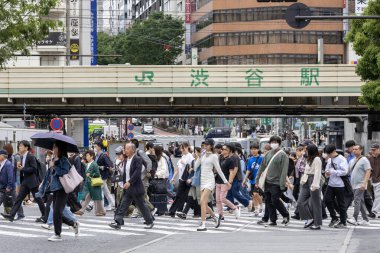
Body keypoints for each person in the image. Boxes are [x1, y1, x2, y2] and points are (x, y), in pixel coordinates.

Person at [109, 143, 154, 230]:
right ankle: (118, 222)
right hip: (127, 187)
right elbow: (125, 173)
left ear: (132, 150)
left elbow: (137, 173)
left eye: (127, 149)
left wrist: (129, 182)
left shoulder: (138, 159)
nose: (125, 151)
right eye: (125, 149)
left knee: (141, 205)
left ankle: (150, 221)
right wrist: (123, 182)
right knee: (122, 204)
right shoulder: (126, 160)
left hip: (135, 187)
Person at [1, 140, 45, 222]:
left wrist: (22, 169)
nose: (19, 147)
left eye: (21, 146)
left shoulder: (31, 156)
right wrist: (20, 168)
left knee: (38, 199)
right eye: (19, 146)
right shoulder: (22, 157)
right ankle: (11, 215)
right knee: (19, 198)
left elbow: (34, 169)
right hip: (25, 181)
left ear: (26, 147)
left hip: (32, 182)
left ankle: (45, 215)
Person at [194, 139, 231, 231]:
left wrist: (226, 182)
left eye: (206, 145)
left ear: (211, 146)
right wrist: (198, 157)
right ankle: (215, 217)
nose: (204, 146)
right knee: (203, 203)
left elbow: (219, 170)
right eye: (204, 145)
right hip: (202, 180)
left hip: (210, 181)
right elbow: (195, 167)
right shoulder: (202, 155)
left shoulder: (214, 156)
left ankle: (203, 224)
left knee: (202, 201)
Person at [255, 136, 290, 226]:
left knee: (275, 200)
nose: (273, 143)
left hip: (277, 182)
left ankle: (285, 214)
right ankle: (273, 220)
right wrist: (257, 179)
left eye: (275, 142)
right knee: (268, 201)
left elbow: (284, 171)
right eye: (272, 142)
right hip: (267, 181)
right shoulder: (268, 154)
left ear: (279, 143)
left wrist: (282, 184)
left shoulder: (283, 155)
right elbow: (262, 167)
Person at [48, 141, 78, 242]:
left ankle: (57, 234)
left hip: (63, 189)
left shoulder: (64, 160)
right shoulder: (54, 158)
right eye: (53, 147)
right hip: (55, 188)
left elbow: (64, 172)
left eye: (55, 148)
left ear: (60, 149)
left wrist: (54, 166)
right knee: (58, 213)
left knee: (57, 212)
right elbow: (52, 175)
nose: (54, 150)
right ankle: (73, 223)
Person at [297, 144, 323, 230]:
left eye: (306, 150)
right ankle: (310, 218)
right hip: (306, 179)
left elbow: (318, 172)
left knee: (316, 202)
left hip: (313, 179)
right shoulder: (308, 159)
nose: (305, 151)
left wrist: (315, 184)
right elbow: (306, 170)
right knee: (300, 201)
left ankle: (317, 223)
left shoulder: (317, 159)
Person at [324, 144, 349, 228]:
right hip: (331, 184)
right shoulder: (330, 160)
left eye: (329, 153)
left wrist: (333, 172)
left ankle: (343, 222)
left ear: (334, 151)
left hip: (340, 185)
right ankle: (334, 217)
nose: (328, 155)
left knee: (341, 203)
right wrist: (327, 173)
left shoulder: (342, 159)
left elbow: (344, 171)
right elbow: (327, 170)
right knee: (327, 200)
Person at [75, 150, 105, 216]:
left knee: (97, 199)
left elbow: (98, 173)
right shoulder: (88, 164)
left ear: (92, 156)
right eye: (86, 155)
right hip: (88, 184)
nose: (86, 157)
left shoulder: (94, 164)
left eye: (88, 155)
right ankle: (81, 210)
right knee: (85, 197)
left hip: (94, 184)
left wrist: (91, 174)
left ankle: (101, 211)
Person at [347, 145, 371, 226]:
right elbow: (347, 171)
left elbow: (368, 171)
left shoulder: (364, 160)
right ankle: (365, 219)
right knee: (361, 202)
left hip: (360, 184)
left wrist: (364, 183)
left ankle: (354, 218)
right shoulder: (352, 160)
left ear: (361, 150)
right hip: (353, 184)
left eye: (356, 149)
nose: (354, 151)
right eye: (353, 149)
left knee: (357, 200)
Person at [216, 143, 240, 220]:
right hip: (218, 181)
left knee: (222, 198)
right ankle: (221, 215)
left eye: (224, 149)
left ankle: (234, 208)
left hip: (225, 182)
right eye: (222, 149)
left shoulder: (231, 160)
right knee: (218, 200)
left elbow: (231, 172)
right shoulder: (220, 157)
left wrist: (229, 182)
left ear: (229, 151)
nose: (222, 150)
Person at [169, 143, 194, 217]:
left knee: (182, 196)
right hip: (181, 179)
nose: (181, 150)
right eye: (181, 148)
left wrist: (186, 163)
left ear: (187, 147)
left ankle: (175, 211)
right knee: (179, 195)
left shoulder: (190, 157)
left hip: (187, 179)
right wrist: (173, 178)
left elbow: (192, 168)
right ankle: (175, 211)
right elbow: (177, 169)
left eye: (183, 148)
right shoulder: (182, 156)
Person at [2, 144, 24, 218]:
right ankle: (9, 213)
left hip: (11, 180)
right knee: (8, 198)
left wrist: (14, 182)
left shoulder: (13, 158)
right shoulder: (8, 159)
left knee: (14, 198)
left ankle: (20, 214)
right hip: (8, 181)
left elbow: (15, 171)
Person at [93, 141, 115, 211]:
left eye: (95, 146)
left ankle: (92, 205)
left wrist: (101, 167)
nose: (95, 148)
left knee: (96, 190)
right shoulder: (97, 155)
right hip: (98, 176)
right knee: (106, 192)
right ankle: (113, 204)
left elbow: (109, 165)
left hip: (102, 176)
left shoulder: (103, 155)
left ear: (99, 147)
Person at [243, 144, 264, 216]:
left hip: (259, 180)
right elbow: (248, 170)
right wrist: (244, 180)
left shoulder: (262, 158)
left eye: (255, 149)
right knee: (253, 196)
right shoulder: (250, 159)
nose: (253, 151)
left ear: (258, 149)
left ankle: (261, 207)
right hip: (252, 180)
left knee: (256, 194)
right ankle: (256, 210)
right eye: (252, 149)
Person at [369, 143, 380, 218]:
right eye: (372, 150)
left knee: (378, 197)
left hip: (378, 180)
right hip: (374, 180)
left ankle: (374, 212)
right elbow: (370, 170)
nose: (373, 151)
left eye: (374, 150)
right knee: (377, 196)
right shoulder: (371, 158)